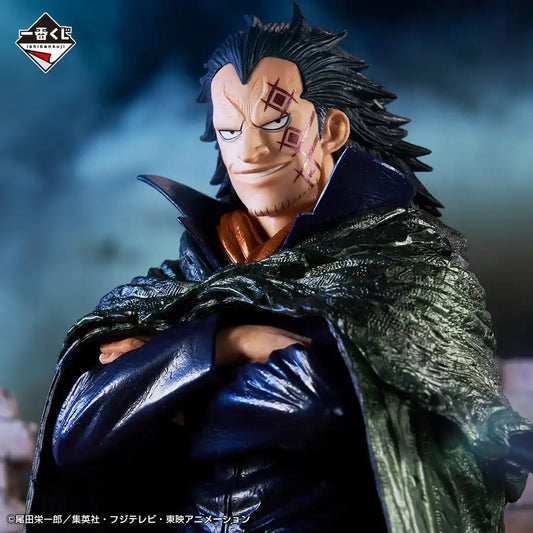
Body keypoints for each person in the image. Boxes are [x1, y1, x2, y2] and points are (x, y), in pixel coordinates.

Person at [25, 5, 533, 532]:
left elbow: (317, 403)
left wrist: (158, 387)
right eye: (229, 131)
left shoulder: (403, 264)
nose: (249, 150)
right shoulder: (181, 283)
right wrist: (229, 343)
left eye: (274, 122)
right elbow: (75, 432)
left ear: (332, 129)